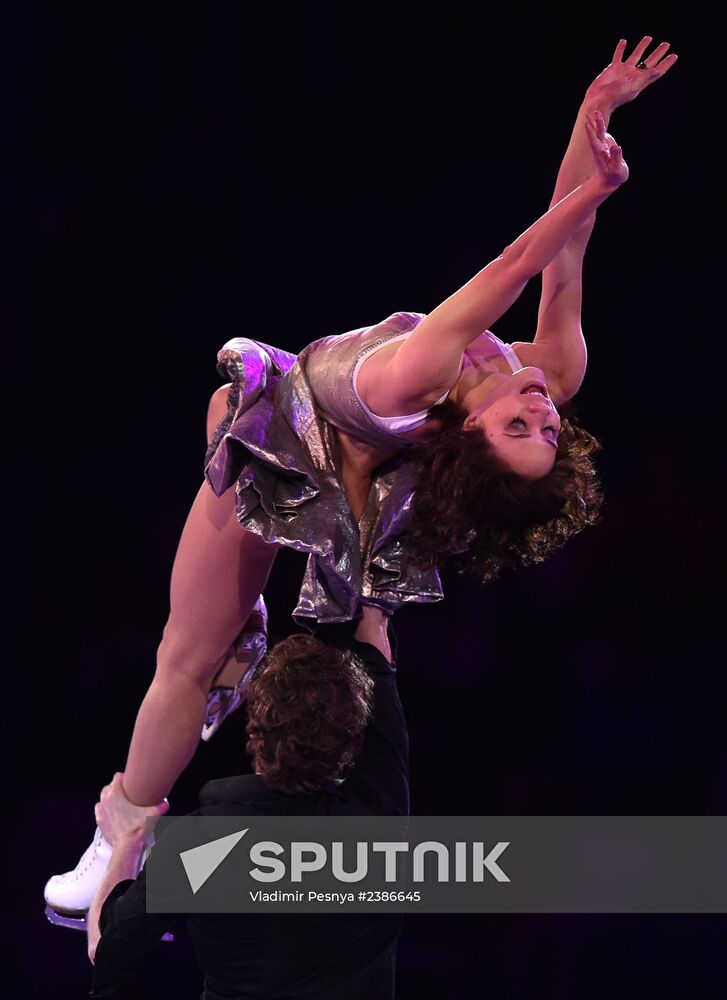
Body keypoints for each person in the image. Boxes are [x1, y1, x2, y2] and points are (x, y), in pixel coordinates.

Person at [44, 37, 677, 916]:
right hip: (317, 449)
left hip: (301, 458)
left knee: (184, 660)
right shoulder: (552, 371)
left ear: (471, 434)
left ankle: (117, 833)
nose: (537, 401)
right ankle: (236, 663)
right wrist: (594, 114)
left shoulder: (418, 377)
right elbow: (566, 252)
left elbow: (508, 269)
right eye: (543, 425)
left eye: (518, 425)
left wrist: (592, 188)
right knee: (214, 643)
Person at [87, 606, 406, 999]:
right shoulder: (381, 816)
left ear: (254, 730)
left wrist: (127, 841)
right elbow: (376, 650)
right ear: (352, 740)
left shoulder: (201, 845)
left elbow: (105, 947)